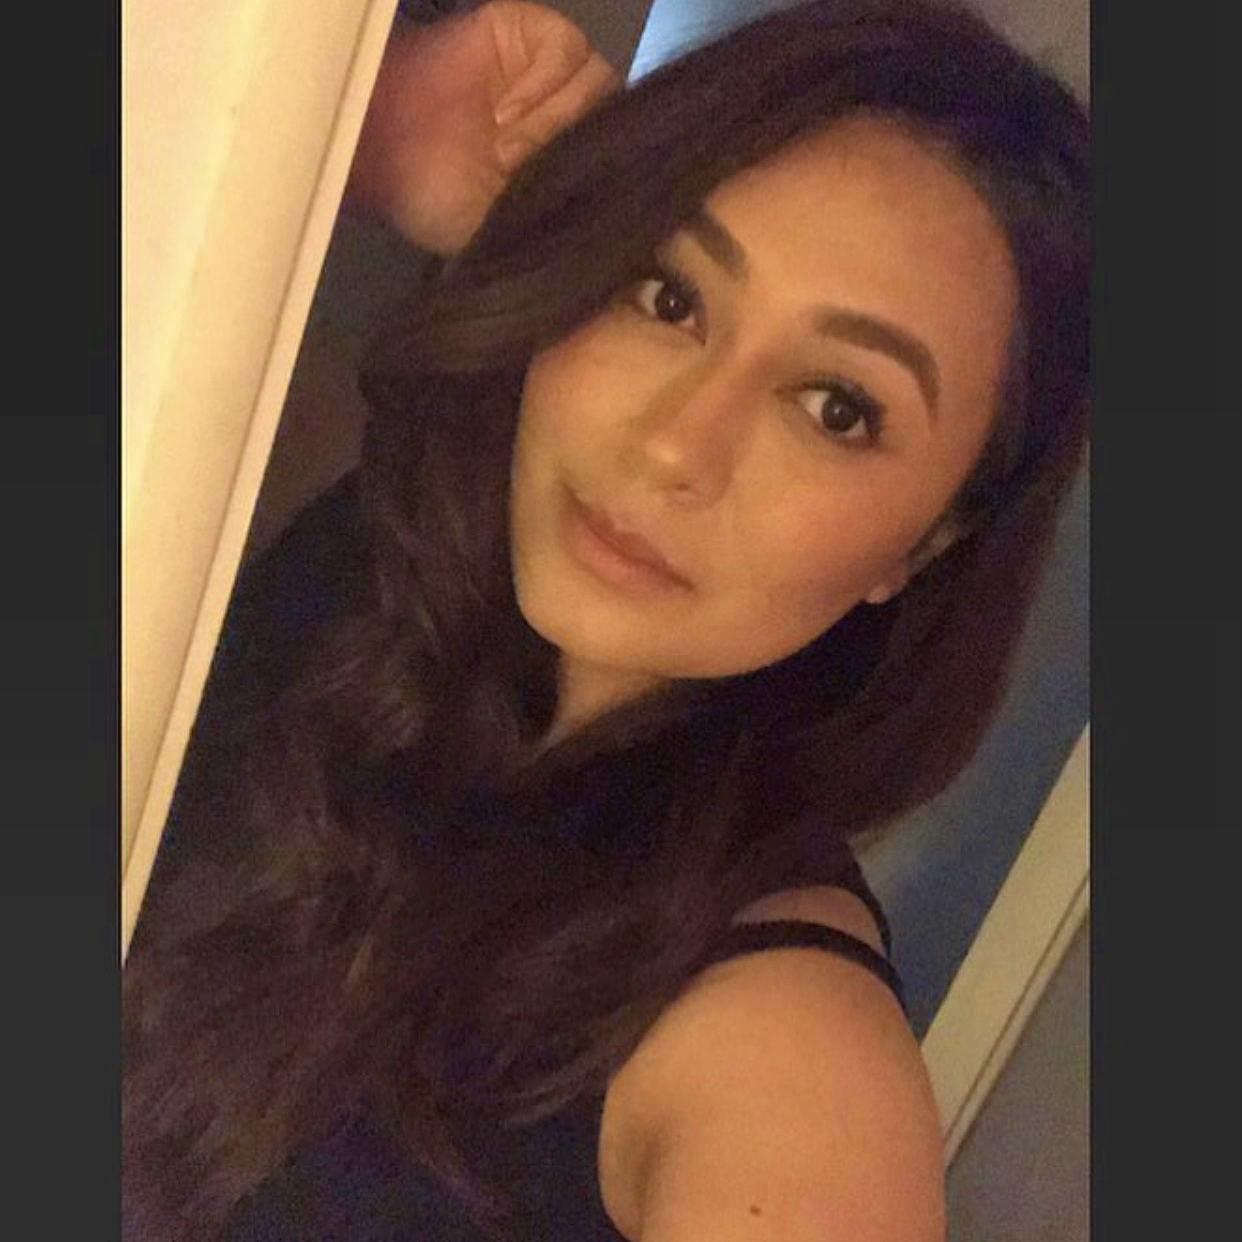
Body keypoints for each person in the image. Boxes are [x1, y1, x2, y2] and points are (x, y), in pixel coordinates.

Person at [122, 1, 1089, 1239]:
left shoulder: (783, 1062)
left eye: (836, 408)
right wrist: (348, 137)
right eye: (666, 294)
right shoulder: (375, 560)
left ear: (930, 540)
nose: (678, 443)